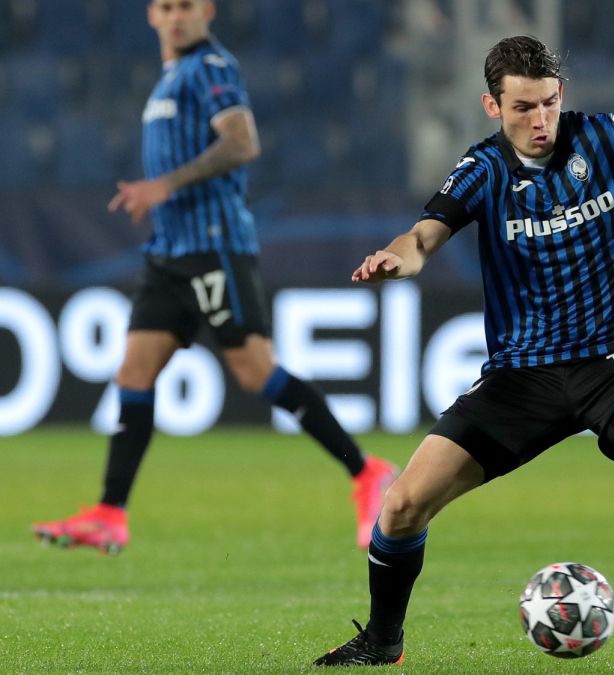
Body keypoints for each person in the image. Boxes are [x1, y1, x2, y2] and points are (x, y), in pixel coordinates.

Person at [312, 36, 614, 666]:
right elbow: (424, 235)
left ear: (560, 94)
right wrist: (396, 260)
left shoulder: (604, 137)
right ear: (492, 105)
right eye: (522, 108)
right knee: (402, 505)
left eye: (547, 103)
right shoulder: (484, 170)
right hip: (522, 375)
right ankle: (383, 643)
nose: (539, 121)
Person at [31, 0, 396, 554]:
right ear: (152, 15)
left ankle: (366, 471)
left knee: (255, 373)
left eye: (186, 6)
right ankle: (109, 513)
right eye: (166, 7)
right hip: (168, 255)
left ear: (207, 11)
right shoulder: (167, 79)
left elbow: (242, 142)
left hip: (214, 248)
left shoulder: (212, 68)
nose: (176, 17)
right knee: (133, 372)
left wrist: (166, 186)